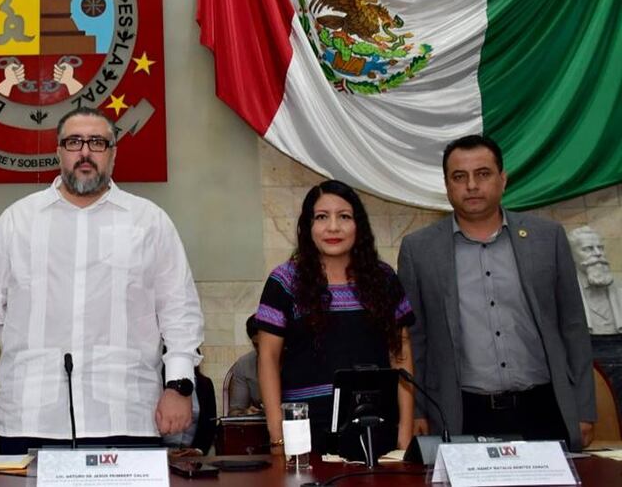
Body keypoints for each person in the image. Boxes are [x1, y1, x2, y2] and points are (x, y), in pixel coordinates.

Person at [0, 107, 204, 453]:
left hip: (126, 414)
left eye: (97, 143)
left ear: (113, 153)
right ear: (59, 151)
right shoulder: (19, 221)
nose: (85, 153)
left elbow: (179, 309)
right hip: (31, 414)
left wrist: (179, 385)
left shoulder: (149, 222)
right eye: (74, 142)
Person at [397, 134, 595, 450]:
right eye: (459, 177)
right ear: (447, 186)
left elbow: (573, 329)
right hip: (463, 411)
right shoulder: (418, 250)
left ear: (503, 179)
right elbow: (414, 339)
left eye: (483, 174)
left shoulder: (548, 238)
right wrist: (419, 410)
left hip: (544, 407)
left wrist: (584, 409)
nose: (472, 185)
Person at [256, 180, 414, 453]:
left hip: (376, 426)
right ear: (308, 226)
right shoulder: (284, 281)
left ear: (358, 226)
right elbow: (268, 358)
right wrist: (277, 435)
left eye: (344, 217)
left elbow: (401, 353)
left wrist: (405, 432)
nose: (333, 227)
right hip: (306, 432)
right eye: (321, 217)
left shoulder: (383, 278)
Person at [567, 226, 622, 335]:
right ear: (571, 255)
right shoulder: (565, 294)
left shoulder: (620, 288)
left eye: (600, 248)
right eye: (588, 249)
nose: (598, 253)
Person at [227, 315, 264, 415]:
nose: (261, 349)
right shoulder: (244, 364)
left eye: (265, 343)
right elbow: (234, 412)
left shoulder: (295, 360)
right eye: (256, 345)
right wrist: (245, 412)